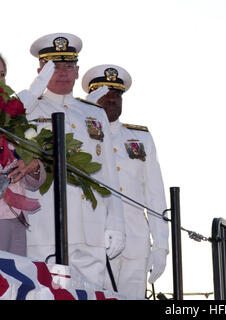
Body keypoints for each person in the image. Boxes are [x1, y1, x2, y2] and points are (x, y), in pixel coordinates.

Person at [17, 34, 126, 290]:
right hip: (43, 230)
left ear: (77, 71)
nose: (63, 73)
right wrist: (34, 89)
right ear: (40, 71)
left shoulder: (94, 113)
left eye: (68, 67)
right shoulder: (28, 109)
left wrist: (117, 224)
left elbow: (109, 175)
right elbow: (6, 119)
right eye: (54, 67)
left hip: (90, 230)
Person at [82, 64, 169, 299]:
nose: (112, 100)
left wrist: (161, 245)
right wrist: (84, 112)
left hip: (135, 242)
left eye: (117, 95)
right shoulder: (79, 132)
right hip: (93, 240)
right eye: (105, 94)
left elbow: (155, 194)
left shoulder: (140, 138)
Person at [0, 53, 47, 257]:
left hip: (14, 217)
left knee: (14, 285)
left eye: (2, 74)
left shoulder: (17, 120)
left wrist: (34, 165)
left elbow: (35, 181)